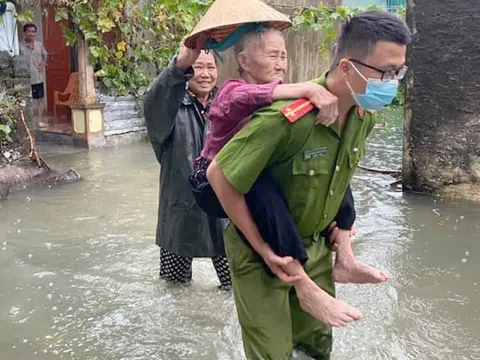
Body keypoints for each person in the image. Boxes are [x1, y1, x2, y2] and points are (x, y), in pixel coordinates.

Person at [207, 10, 411, 359]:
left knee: (317, 346)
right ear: (347, 67)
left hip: (315, 245)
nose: (392, 82)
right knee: (272, 353)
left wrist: (342, 248)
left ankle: (336, 267)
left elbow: (339, 181)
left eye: (399, 71)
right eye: (386, 72)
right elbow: (219, 175)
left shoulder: (363, 115)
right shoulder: (288, 118)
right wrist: (265, 250)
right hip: (261, 251)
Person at [143, 39, 232, 291]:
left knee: (235, 285)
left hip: (224, 211)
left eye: (211, 67)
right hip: (180, 213)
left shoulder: (226, 105)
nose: (205, 74)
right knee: (174, 291)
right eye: (198, 66)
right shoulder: (168, 110)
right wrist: (180, 63)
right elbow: (153, 99)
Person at [20, 23, 47, 128]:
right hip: (25, 79)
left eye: (33, 31)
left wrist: (43, 64)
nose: (31, 33)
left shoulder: (39, 45)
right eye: (29, 31)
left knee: (40, 100)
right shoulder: (19, 46)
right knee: (28, 101)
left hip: (38, 78)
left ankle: (39, 121)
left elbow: (45, 55)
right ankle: (29, 123)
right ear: (25, 33)